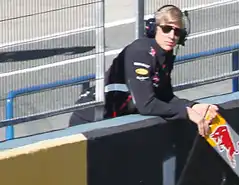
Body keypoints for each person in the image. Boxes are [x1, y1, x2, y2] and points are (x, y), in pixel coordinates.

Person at [69, 4, 217, 136]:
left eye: (177, 32)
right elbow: (146, 104)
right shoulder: (141, 52)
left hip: (114, 119)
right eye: (166, 29)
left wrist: (194, 106)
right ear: (155, 28)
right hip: (90, 121)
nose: (172, 36)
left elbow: (165, 97)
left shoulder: (165, 54)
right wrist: (186, 112)